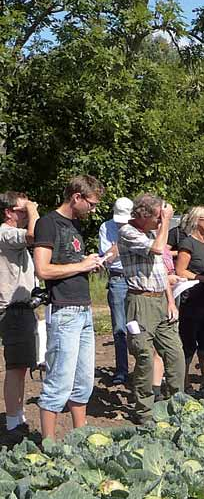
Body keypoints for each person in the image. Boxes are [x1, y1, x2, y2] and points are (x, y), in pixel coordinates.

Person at [33, 175, 104, 442]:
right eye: (92, 204)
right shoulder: (48, 224)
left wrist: (88, 262)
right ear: (77, 197)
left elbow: (71, 261)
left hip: (83, 310)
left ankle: (80, 436)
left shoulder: (74, 225)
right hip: (64, 311)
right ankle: (49, 444)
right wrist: (81, 265)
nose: (93, 210)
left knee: (84, 380)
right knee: (59, 381)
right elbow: (43, 269)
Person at [118, 194, 185, 413]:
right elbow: (157, 249)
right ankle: (144, 410)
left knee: (175, 354)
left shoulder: (152, 232)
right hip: (140, 302)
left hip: (161, 300)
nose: (160, 221)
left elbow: (162, 270)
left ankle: (175, 402)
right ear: (143, 215)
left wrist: (170, 301)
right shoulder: (127, 233)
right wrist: (165, 221)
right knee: (145, 356)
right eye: (157, 217)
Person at [0, 192, 39, 436]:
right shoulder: (5, 233)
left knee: (22, 366)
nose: (27, 215)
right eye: (22, 211)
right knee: (15, 367)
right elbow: (35, 235)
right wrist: (34, 210)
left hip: (22, 308)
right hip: (12, 310)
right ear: (9, 212)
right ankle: (13, 422)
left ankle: (17, 414)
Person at [174, 206, 204, 392]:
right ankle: (183, 382)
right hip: (192, 299)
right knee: (189, 342)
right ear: (195, 220)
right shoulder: (188, 243)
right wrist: (202, 279)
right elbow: (180, 270)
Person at [98, 197, 133, 385]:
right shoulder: (106, 227)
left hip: (137, 277)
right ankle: (122, 370)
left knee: (143, 325)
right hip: (118, 278)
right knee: (119, 327)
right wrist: (125, 239)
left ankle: (147, 369)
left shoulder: (140, 226)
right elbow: (107, 258)